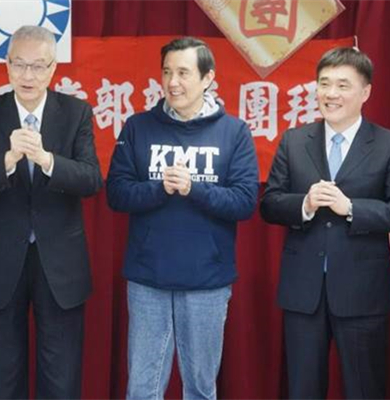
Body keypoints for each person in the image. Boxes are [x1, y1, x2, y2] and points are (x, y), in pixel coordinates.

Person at [107, 37, 259, 400]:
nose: (172, 82)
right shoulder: (138, 127)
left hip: (207, 280)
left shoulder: (234, 132)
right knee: (142, 389)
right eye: (167, 72)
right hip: (148, 277)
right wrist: (161, 188)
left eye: (183, 73)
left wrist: (194, 188)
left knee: (201, 389)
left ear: (208, 78)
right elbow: (117, 193)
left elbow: (244, 202)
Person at [260, 47, 390, 399]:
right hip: (304, 292)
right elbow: (269, 204)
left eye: (343, 85)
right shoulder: (294, 141)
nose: (331, 93)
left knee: (364, 389)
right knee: (303, 390)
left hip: (363, 293)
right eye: (324, 83)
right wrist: (305, 204)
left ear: (365, 92)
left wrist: (351, 208)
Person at [0, 25, 102, 399]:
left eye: (38, 66)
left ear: (53, 68)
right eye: (20, 64)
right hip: (0, 262)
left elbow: (91, 179)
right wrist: (7, 160)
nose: (28, 75)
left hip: (60, 265)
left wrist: (46, 159)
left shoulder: (75, 112)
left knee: (61, 377)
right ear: (7, 65)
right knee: (1, 376)